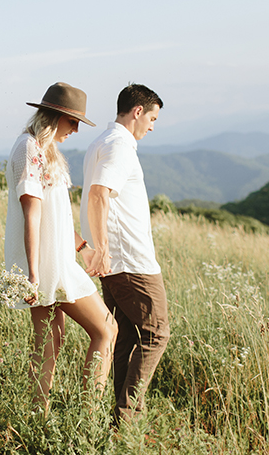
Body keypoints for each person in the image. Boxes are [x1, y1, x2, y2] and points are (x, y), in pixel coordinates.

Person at [4, 82, 118, 412]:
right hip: (47, 266)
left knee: (48, 344)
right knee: (106, 328)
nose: (77, 129)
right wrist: (35, 273)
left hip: (51, 261)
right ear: (56, 117)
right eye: (73, 122)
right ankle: (89, 418)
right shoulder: (29, 148)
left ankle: (37, 419)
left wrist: (83, 248)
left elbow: (54, 216)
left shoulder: (43, 149)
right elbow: (32, 210)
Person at [80, 83, 168, 423]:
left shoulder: (102, 142)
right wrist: (101, 249)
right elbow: (100, 194)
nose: (152, 125)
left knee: (127, 335)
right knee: (156, 333)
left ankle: (112, 418)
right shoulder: (119, 146)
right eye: (152, 118)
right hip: (130, 261)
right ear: (137, 111)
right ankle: (127, 418)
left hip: (117, 259)